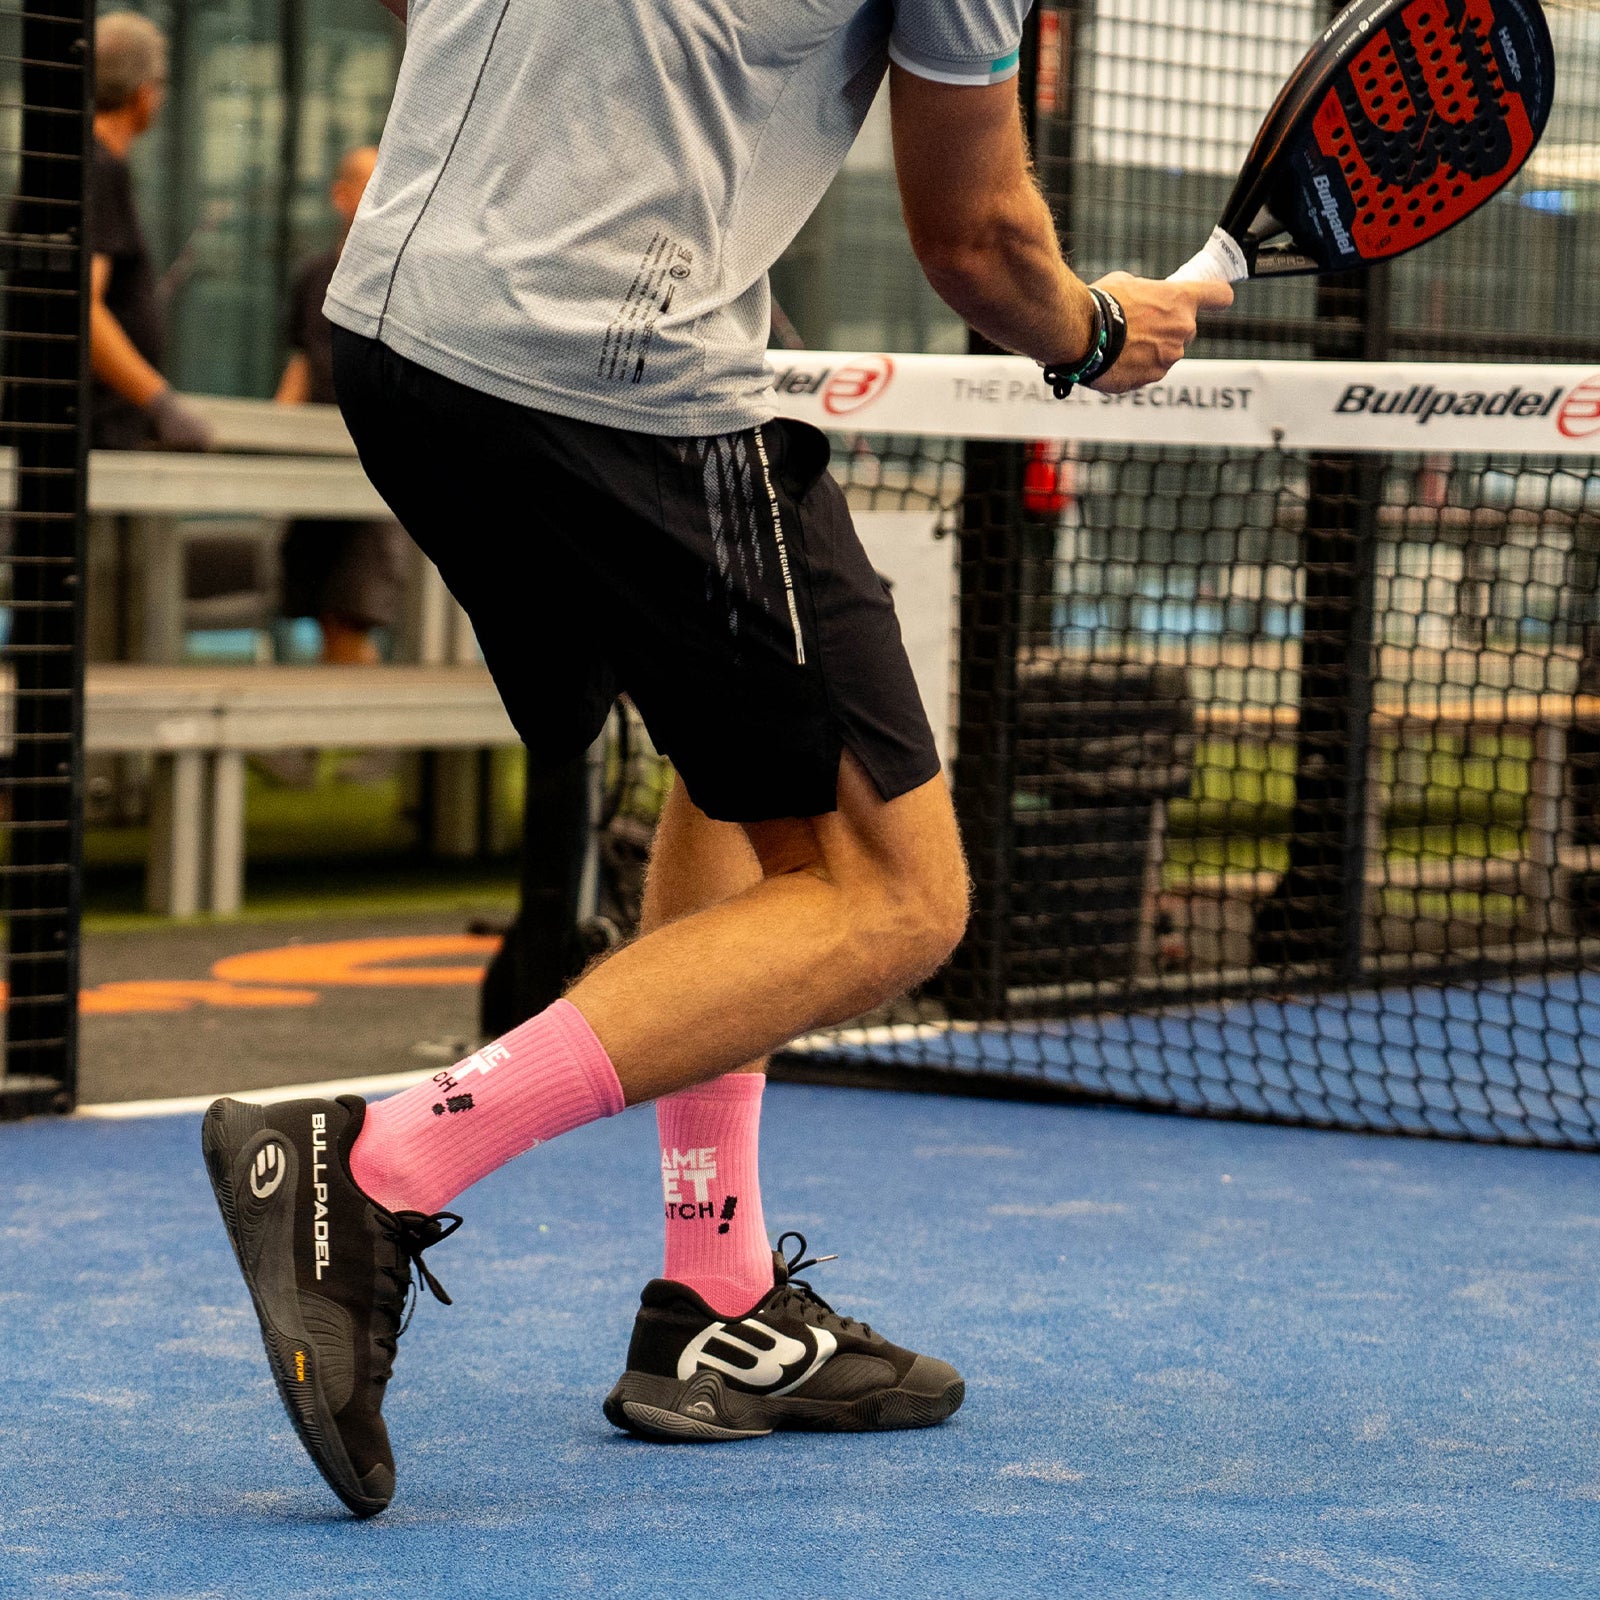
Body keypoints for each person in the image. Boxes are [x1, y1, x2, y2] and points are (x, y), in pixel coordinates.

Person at [201, 0, 1231, 1518]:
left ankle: (718, 1295)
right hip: (610, 369)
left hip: (397, 339)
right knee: (898, 897)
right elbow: (978, 244)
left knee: (748, 763)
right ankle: (375, 1164)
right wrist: (1092, 326)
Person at [275, 147, 406, 664]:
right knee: (319, 611)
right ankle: (324, 743)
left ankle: (368, 742)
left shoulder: (403, 275)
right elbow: (302, 363)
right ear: (340, 196)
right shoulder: (314, 275)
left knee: (351, 613)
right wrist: (273, 438)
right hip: (315, 464)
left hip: (370, 470)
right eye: (368, 187)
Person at [87, 12, 210, 452]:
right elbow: (84, 309)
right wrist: (159, 402)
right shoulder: (97, 169)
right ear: (143, 94)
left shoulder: (91, 163)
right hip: (89, 439)